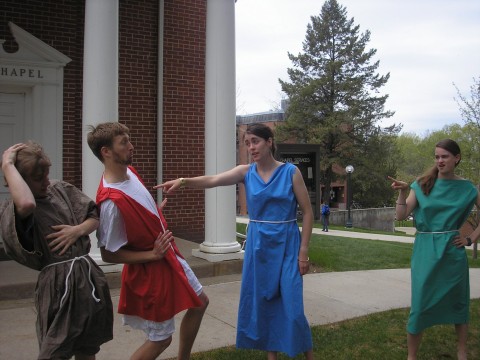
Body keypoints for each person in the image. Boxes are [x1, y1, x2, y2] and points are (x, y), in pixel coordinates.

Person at [156, 123, 314, 360]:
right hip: (259, 245)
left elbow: (308, 212)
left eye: (255, 141)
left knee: (292, 306)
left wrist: (303, 251)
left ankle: (308, 356)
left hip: (287, 244)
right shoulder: (246, 172)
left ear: (269, 142)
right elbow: (214, 180)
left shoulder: (291, 172)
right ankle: (272, 356)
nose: (251, 147)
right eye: (247, 143)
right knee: (265, 302)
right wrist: (183, 181)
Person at [86, 122, 209, 360]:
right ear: (106, 152)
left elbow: (139, 214)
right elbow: (109, 254)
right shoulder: (110, 202)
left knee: (200, 302)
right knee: (160, 339)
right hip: (150, 272)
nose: (131, 146)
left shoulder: (129, 173)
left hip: (169, 257)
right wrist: (152, 255)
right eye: (124, 143)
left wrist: (155, 214)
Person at [0, 142, 113, 360]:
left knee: (87, 346)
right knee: (55, 348)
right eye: (37, 178)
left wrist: (77, 230)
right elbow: (26, 204)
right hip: (58, 286)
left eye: (46, 175)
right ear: (19, 179)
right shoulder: (15, 210)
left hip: (86, 277)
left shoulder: (59, 189)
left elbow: (94, 216)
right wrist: (6, 163)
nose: (45, 182)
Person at [389, 139, 480, 360]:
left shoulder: (468, 188)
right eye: (437, 156)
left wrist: (469, 239)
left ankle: (461, 351)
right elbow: (400, 216)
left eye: (444, 156)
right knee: (420, 303)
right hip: (425, 251)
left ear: (456, 158)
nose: (439, 161)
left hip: (452, 252)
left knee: (458, 302)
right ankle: (412, 356)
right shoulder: (421, 184)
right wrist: (402, 193)